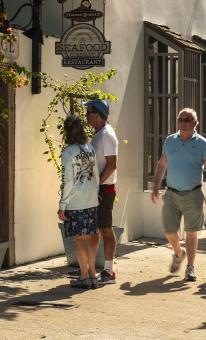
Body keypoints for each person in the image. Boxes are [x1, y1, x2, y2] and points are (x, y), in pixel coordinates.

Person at [151, 108, 206, 282]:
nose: (184, 123)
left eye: (188, 120)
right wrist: (156, 186)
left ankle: (190, 267)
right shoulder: (170, 141)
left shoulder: (202, 143)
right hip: (171, 194)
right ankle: (179, 252)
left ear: (195, 123)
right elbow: (162, 164)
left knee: (191, 233)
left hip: (193, 194)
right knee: (169, 231)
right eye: (181, 119)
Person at [58, 115, 101, 289]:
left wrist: (62, 205)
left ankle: (84, 276)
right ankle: (92, 275)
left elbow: (68, 181)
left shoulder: (68, 153)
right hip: (91, 199)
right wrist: (95, 193)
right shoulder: (89, 148)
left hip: (76, 201)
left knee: (79, 240)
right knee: (89, 238)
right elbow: (96, 174)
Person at [84, 99, 119, 285]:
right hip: (98, 188)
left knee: (105, 228)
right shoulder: (98, 134)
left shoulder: (106, 135)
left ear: (98, 114)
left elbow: (112, 165)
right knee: (95, 229)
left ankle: (109, 271)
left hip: (104, 189)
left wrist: (97, 186)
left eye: (89, 112)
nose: (86, 115)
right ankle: (91, 269)